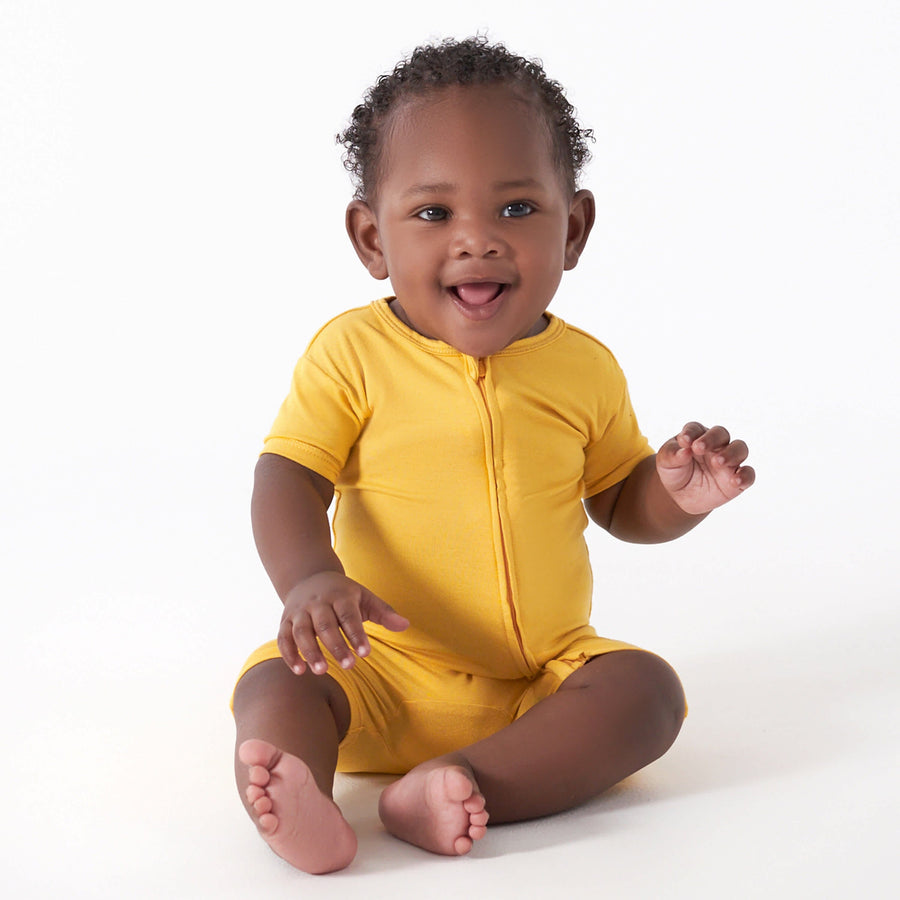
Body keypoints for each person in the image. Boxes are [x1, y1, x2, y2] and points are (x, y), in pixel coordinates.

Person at [231, 37, 755, 875]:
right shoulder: (351, 355)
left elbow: (619, 503)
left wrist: (675, 497)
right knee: (277, 684)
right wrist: (309, 580)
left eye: (516, 209)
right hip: (371, 670)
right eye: (433, 214)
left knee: (648, 692)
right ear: (371, 239)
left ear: (573, 228)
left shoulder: (583, 368)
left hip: (535, 689)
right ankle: (301, 795)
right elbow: (288, 475)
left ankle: (459, 783)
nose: (477, 240)